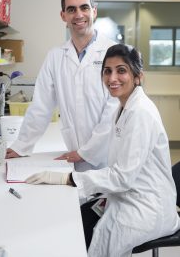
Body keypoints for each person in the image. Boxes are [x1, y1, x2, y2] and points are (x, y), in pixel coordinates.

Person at [25, 44, 180, 257]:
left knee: (90, 241)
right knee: (78, 221)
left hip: (147, 206)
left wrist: (68, 178)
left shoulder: (141, 113)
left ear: (138, 76)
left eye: (121, 70)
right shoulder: (124, 106)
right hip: (127, 194)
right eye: (107, 71)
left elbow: (122, 177)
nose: (112, 78)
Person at [6, 0, 118, 172]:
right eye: (71, 9)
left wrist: (88, 152)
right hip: (75, 154)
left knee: (107, 198)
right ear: (63, 16)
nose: (78, 14)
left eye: (84, 8)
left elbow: (114, 112)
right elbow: (41, 106)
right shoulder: (55, 56)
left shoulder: (114, 53)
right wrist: (21, 146)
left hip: (110, 155)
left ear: (94, 11)